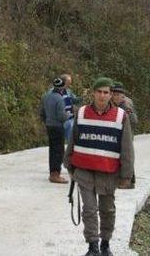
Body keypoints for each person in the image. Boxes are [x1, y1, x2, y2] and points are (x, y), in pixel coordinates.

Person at [64, 77, 135, 256]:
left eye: (106, 92)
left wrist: (126, 174)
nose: (102, 96)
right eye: (99, 92)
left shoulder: (121, 116)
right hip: (84, 170)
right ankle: (92, 246)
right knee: (88, 209)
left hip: (108, 172)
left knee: (107, 210)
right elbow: (72, 140)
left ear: (111, 95)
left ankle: (105, 243)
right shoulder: (81, 113)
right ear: (93, 93)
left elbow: (126, 147)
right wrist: (69, 163)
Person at [40, 77, 70, 184]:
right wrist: (69, 115)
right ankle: (56, 174)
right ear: (62, 88)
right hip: (58, 126)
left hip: (49, 126)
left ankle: (52, 172)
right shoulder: (59, 99)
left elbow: (42, 113)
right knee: (58, 150)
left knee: (52, 149)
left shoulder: (45, 97)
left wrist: (47, 121)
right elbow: (61, 116)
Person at [111, 83, 137, 188]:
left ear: (123, 96)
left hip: (127, 133)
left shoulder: (126, 105)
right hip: (117, 133)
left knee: (127, 155)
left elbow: (134, 121)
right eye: (114, 94)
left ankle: (129, 180)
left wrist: (128, 115)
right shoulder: (113, 104)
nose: (116, 97)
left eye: (118, 95)